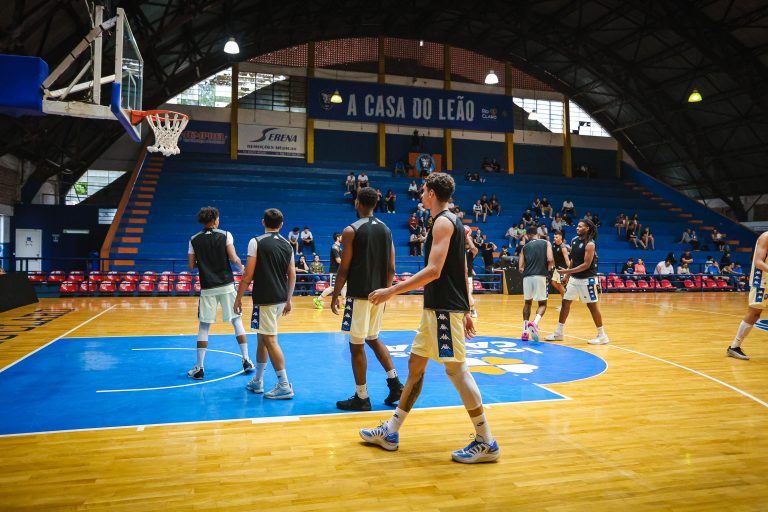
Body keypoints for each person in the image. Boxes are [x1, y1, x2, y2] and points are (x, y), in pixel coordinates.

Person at [360, 172, 500, 464]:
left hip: (444, 308)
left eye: (424, 191)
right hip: (439, 308)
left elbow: (435, 271)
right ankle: (391, 432)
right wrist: (467, 309)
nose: (421, 195)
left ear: (432, 194)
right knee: (415, 367)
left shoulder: (444, 222)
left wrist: (392, 290)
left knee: (457, 371)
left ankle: (486, 440)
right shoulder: (450, 221)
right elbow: (461, 269)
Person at [329, 187, 404, 410]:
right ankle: (395, 383)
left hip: (359, 294)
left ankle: (362, 397)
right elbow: (392, 267)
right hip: (378, 295)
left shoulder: (351, 230)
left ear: (358, 203)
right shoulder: (386, 229)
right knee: (373, 338)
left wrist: (335, 294)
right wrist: (387, 293)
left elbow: (344, 267)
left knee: (356, 345)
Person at [235, 208, 296, 399]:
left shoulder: (256, 242)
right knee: (262, 338)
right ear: (281, 225)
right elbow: (292, 274)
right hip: (279, 298)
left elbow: (248, 275)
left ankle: (284, 385)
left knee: (270, 340)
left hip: (266, 298)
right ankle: (258, 380)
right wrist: (289, 299)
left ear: (263, 222)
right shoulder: (287, 244)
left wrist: (238, 298)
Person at [186, 207, 253, 380]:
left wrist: (205, 261)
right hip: (226, 285)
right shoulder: (226, 235)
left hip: (208, 287)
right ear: (215, 219)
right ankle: (246, 360)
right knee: (236, 321)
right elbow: (234, 258)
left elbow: (191, 266)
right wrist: (243, 269)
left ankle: (200, 367)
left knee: (204, 327)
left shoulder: (194, 239)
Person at [545, 219, 609, 345]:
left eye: (580, 226)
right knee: (565, 302)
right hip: (574, 279)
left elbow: (586, 265)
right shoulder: (574, 240)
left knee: (592, 307)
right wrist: (567, 276)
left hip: (587, 280)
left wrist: (567, 271)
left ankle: (602, 335)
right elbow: (573, 260)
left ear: (587, 228)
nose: (577, 228)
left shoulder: (590, 244)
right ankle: (559, 333)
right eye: (577, 226)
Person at [727, 232, 768, 360]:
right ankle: (734, 347)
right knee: (754, 313)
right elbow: (758, 262)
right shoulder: (765, 237)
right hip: (762, 280)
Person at [519, 226, 554, 342]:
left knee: (527, 303)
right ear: (537, 234)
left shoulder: (524, 247)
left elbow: (520, 268)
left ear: (528, 235)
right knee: (542, 304)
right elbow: (550, 259)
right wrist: (548, 269)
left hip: (527, 277)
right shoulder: (546, 243)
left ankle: (525, 331)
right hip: (541, 275)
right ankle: (534, 323)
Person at [313, 232, 344, 309]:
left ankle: (344, 303)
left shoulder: (340, 247)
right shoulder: (334, 247)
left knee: (344, 286)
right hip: (335, 271)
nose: (343, 238)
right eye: (341, 237)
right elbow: (338, 260)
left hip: (340, 271)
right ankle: (318, 299)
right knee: (332, 287)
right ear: (338, 238)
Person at [550, 230, 571, 297]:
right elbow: (553, 257)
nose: (555, 238)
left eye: (556, 237)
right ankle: (565, 295)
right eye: (554, 237)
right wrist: (552, 265)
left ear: (561, 238)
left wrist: (570, 270)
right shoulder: (553, 245)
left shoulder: (563, 247)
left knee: (560, 284)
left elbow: (567, 260)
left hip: (562, 269)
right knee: (553, 283)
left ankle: (565, 299)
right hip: (556, 268)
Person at [465, 226, 479, 319]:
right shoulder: (458, 249)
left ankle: (473, 309)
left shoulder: (471, 251)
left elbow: (475, 249)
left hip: (468, 276)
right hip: (457, 275)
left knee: (468, 293)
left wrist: (467, 236)